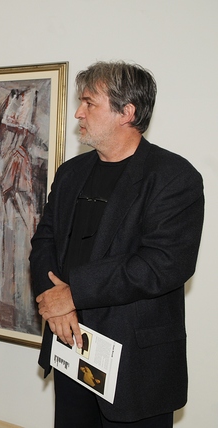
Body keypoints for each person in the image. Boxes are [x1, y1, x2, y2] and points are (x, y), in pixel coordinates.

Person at [30, 61, 204, 427]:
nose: (78, 113)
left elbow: (161, 264)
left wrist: (73, 294)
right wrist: (57, 305)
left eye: (89, 103)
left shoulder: (173, 177)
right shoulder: (71, 172)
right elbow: (44, 241)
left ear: (127, 112)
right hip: (69, 345)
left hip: (136, 365)